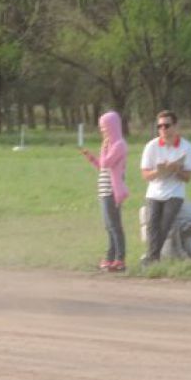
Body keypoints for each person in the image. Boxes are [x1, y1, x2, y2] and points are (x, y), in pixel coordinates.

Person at [139, 110, 191, 266]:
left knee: (165, 224)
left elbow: (188, 177)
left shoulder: (186, 147)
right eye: (160, 126)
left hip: (175, 192)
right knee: (152, 225)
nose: (163, 129)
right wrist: (159, 171)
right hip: (154, 191)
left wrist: (176, 169)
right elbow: (145, 175)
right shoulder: (151, 146)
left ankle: (150, 258)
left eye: (167, 125)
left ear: (175, 126)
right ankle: (153, 258)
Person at [80, 110, 129, 272]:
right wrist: (91, 158)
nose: (103, 132)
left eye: (105, 128)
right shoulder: (110, 146)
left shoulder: (119, 145)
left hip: (112, 192)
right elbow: (102, 166)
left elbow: (107, 162)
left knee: (115, 226)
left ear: (113, 127)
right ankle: (110, 257)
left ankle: (120, 259)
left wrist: (104, 147)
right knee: (108, 226)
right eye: (101, 129)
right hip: (103, 191)